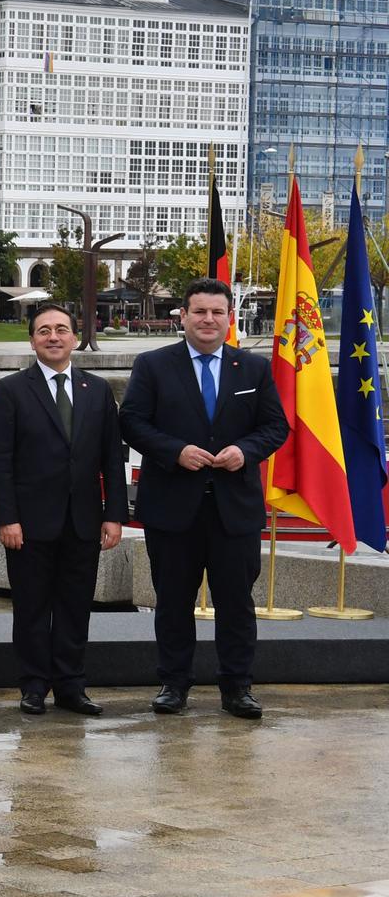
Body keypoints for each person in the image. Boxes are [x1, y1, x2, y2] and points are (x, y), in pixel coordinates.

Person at [119, 279, 287, 720]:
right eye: (199, 312)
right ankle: (174, 684)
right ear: (184, 316)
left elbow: (275, 427)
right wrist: (175, 451)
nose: (208, 320)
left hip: (235, 510)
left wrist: (245, 451)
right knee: (173, 601)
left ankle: (237, 688)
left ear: (229, 317)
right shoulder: (154, 365)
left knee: (237, 603)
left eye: (217, 312)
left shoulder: (252, 369)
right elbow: (132, 422)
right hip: (173, 509)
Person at [0, 305, 127, 716]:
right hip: (28, 525)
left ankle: (71, 686)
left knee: (74, 607)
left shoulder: (97, 390)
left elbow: (110, 460)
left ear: (74, 337)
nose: (53, 337)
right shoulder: (10, 391)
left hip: (83, 521)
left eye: (61, 330)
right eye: (44, 330)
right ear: (32, 340)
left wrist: (114, 513)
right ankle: (33, 686)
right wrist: (5, 517)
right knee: (31, 608)